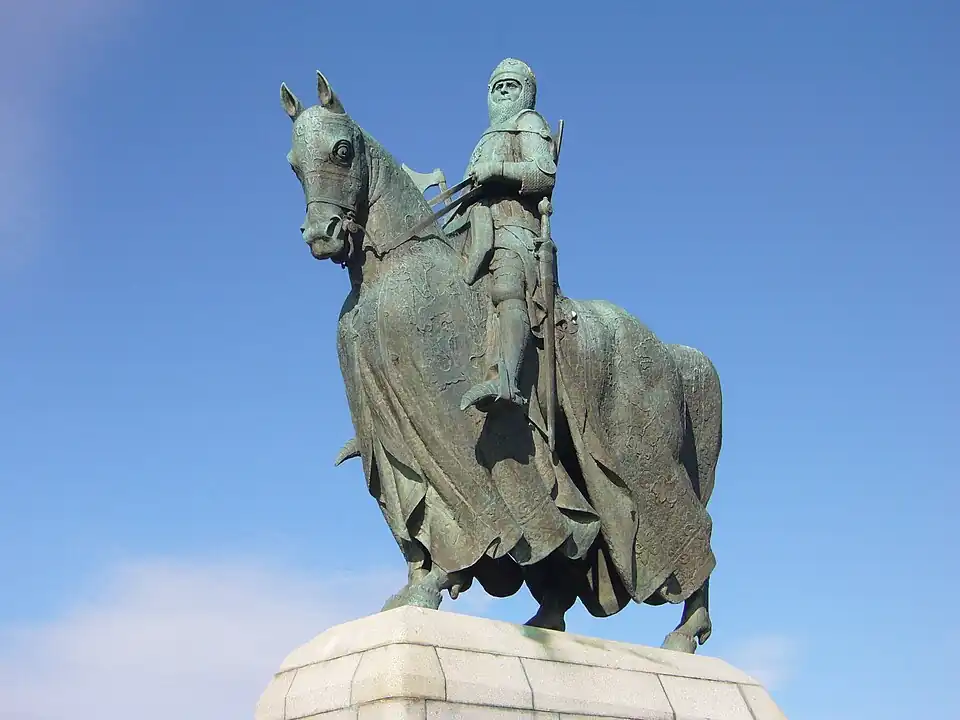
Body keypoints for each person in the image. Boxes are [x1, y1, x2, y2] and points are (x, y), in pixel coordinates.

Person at [458, 58, 559, 412]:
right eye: (497, 85)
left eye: (510, 85)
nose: (502, 90)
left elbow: (544, 174)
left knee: (507, 283)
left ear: (526, 93)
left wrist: (497, 170)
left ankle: (506, 380)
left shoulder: (527, 123)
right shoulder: (486, 137)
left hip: (514, 228)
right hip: (476, 227)